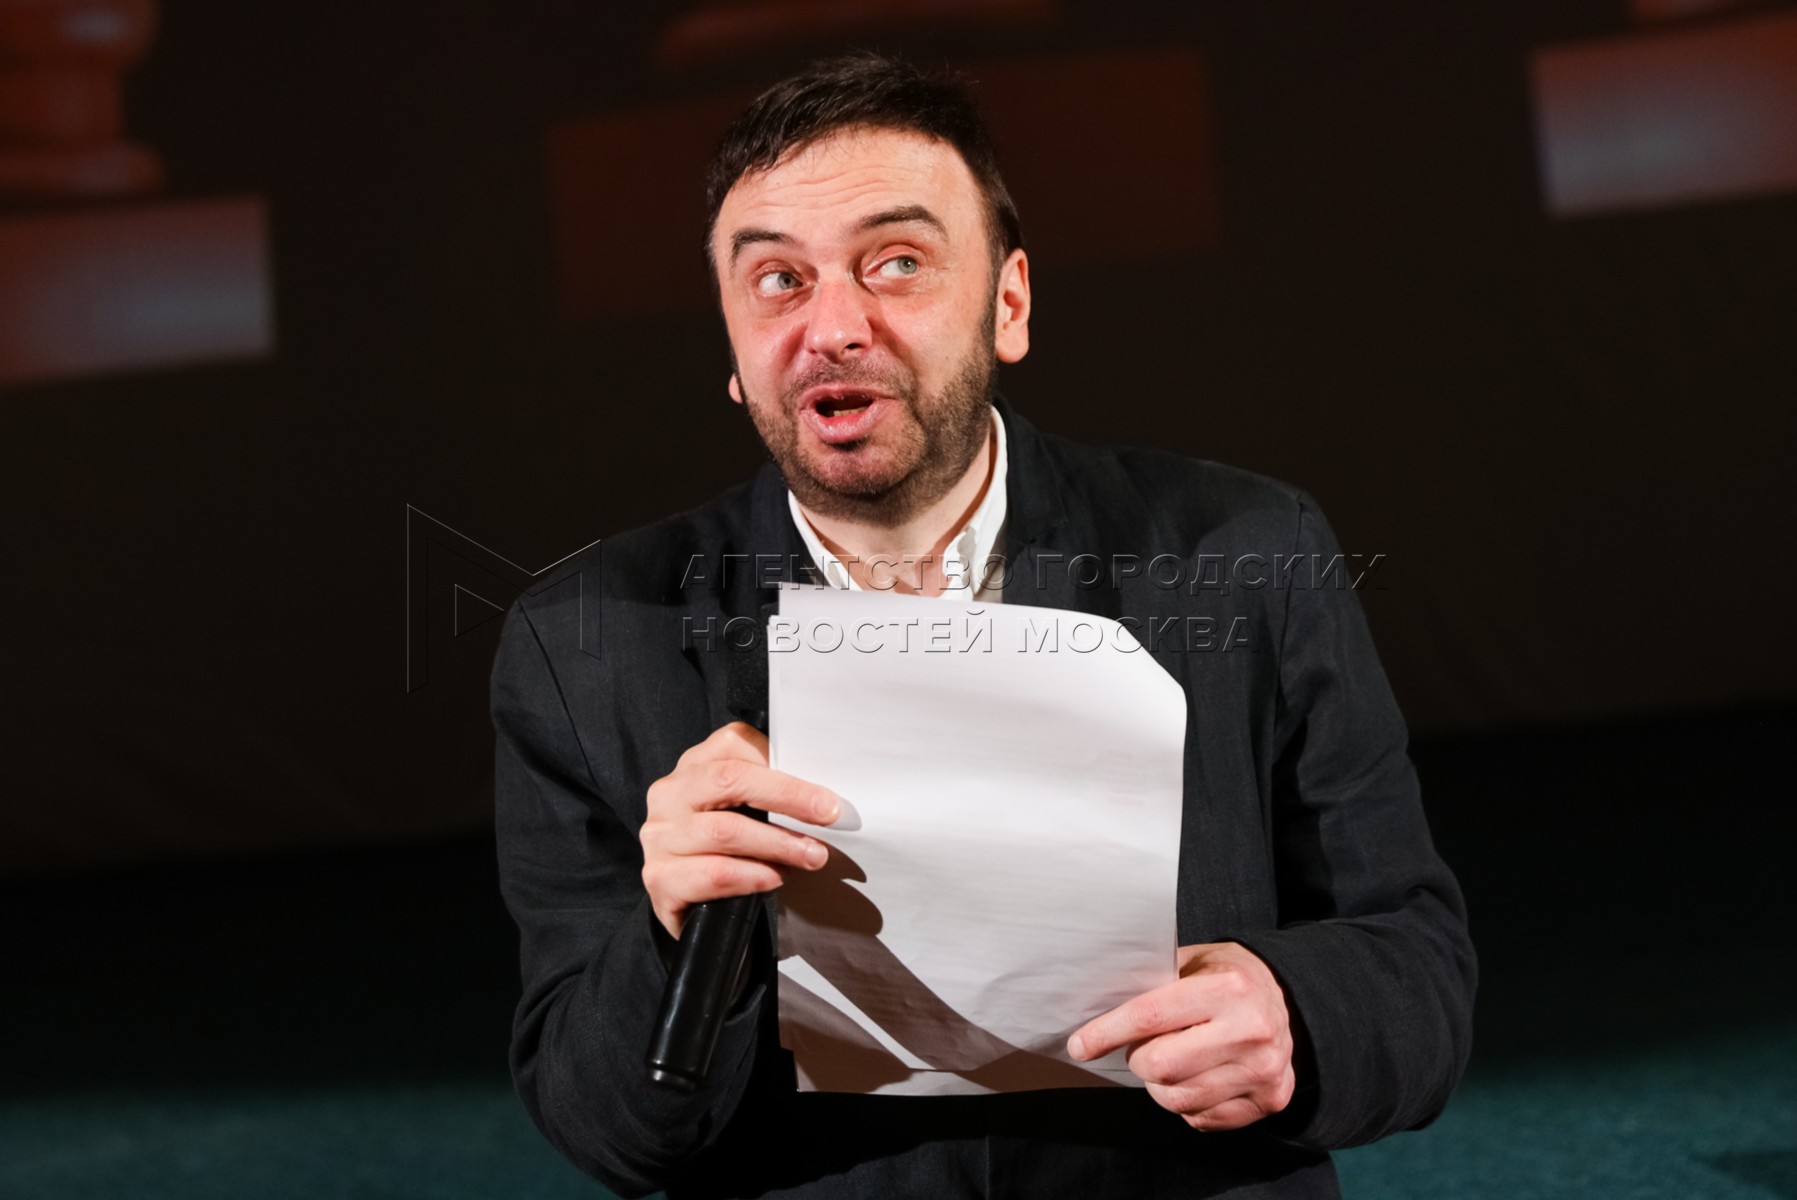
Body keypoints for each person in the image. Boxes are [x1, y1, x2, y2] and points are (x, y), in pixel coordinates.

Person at [492, 52, 1475, 1199]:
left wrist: (1293, 1012)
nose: (833, 326)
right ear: (732, 348)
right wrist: (667, 937)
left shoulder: (1247, 553)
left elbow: (1419, 968)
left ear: (1008, 305)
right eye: (778, 280)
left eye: (897, 264)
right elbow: (602, 1124)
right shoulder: (583, 645)